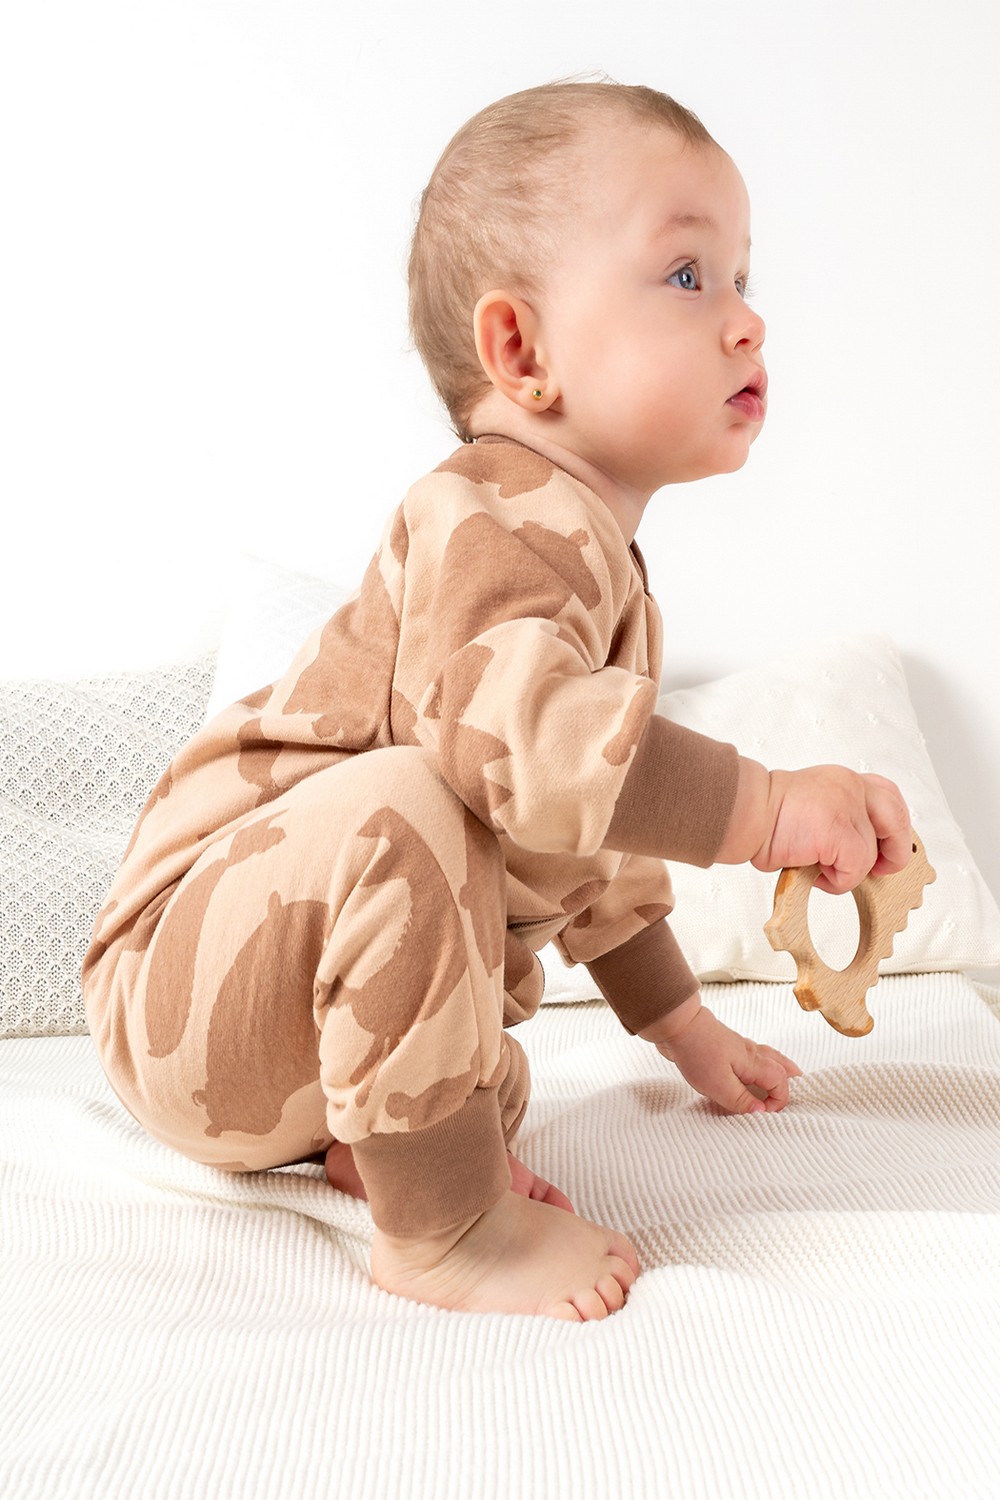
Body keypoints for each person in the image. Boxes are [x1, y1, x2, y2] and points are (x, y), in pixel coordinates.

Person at [82, 81, 912, 1322]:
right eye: (687, 275)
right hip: (184, 994)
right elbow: (535, 759)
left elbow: (592, 844)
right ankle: (444, 1234)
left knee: (486, 1074)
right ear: (521, 352)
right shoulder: (483, 516)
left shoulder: (600, 581)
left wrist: (682, 1028)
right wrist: (767, 808)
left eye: (743, 279)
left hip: (286, 1029)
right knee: (412, 799)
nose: (746, 321)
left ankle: (378, 1143)